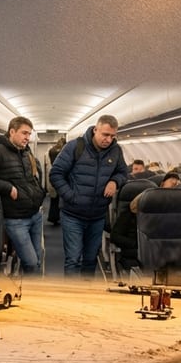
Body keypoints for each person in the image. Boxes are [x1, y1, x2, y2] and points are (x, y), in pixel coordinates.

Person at [49, 114, 129, 277]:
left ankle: (87, 290)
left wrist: (114, 181)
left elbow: (122, 173)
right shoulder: (75, 147)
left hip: (97, 216)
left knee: (91, 260)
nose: (109, 140)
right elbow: (56, 173)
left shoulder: (116, 151)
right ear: (95, 130)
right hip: (73, 215)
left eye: (113, 136)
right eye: (105, 135)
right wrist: (70, 196)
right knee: (73, 260)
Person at [0, 116, 47, 275]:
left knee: (38, 259)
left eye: (29, 134)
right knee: (31, 263)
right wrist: (7, 188)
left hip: (35, 214)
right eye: (24, 133)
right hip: (16, 219)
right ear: (12, 132)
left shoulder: (26, 151)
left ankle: (32, 287)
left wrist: (39, 193)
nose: (27, 137)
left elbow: (32, 178)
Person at [47, 136, 66, 225]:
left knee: (54, 199)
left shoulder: (51, 150)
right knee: (62, 198)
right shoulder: (63, 151)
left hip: (53, 172)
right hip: (61, 175)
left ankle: (53, 217)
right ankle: (60, 217)